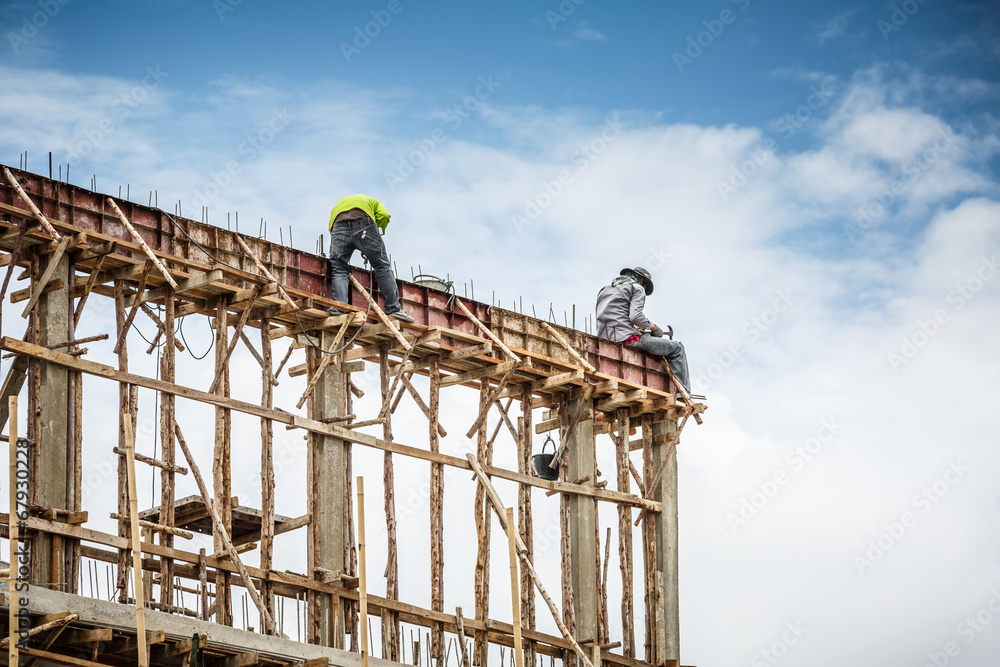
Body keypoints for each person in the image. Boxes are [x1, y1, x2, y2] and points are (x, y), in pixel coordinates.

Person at [595, 266, 692, 397]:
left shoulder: (604, 290)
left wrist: (637, 328)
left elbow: (614, 316)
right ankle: (683, 392)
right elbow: (635, 316)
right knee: (677, 349)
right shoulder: (637, 288)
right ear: (643, 283)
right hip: (627, 339)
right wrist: (654, 328)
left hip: (604, 340)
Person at [327, 194, 414, 322]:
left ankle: (340, 307)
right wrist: (377, 232)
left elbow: (332, 228)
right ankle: (393, 309)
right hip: (364, 223)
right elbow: (384, 215)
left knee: (339, 268)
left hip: (338, 226)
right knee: (382, 265)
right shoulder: (374, 203)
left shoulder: (340, 204)